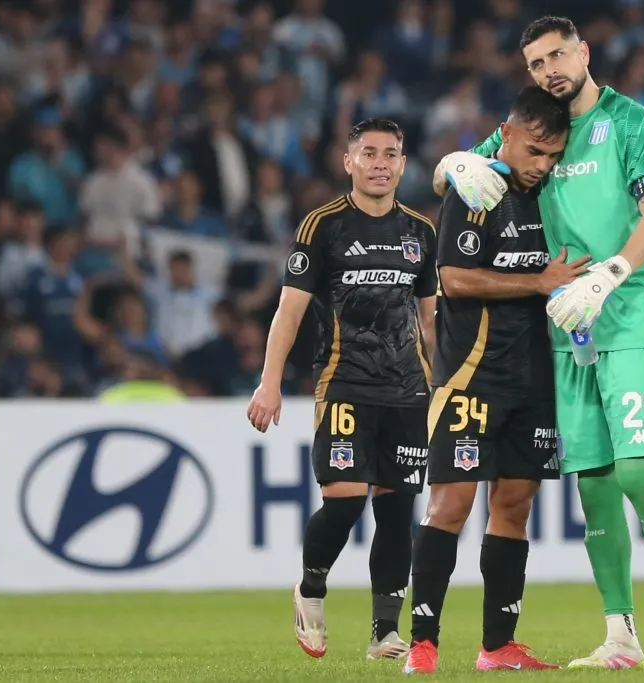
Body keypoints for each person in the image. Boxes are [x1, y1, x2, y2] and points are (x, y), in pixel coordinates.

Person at [431, 16, 644, 671]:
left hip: (631, 318)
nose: (549, 69)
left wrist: (610, 274)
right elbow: (455, 184)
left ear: (583, 52)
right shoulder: (530, 126)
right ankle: (619, 632)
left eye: (558, 54)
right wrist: (452, 163)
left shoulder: (629, 121)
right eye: (535, 62)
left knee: (638, 471)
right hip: (567, 329)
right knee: (596, 486)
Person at [403, 86, 590, 675]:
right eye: (535, 151)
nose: (542, 165)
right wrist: (539, 283)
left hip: (533, 380)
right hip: (469, 376)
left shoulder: (552, 197)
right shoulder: (475, 189)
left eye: (553, 156)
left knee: (513, 505)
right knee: (451, 503)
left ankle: (498, 646)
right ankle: (423, 643)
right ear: (506, 135)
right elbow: (454, 278)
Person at [247, 118, 437, 662]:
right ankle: (311, 589)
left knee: (398, 510)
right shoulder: (322, 227)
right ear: (348, 162)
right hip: (344, 384)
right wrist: (270, 381)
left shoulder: (420, 232)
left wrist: (447, 382)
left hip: (408, 390)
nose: (380, 163)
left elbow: (431, 320)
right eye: (369, 153)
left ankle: (384, 631)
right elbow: (289, 309)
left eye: (391, 154)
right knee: (346, 500)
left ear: (403, 164)